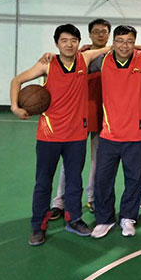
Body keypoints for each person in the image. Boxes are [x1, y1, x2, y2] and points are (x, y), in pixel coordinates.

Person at [10, 24, 109, 246]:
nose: (69, 44)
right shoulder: (47, 63)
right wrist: (15, 107)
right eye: (64, 40)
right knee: (43, 183)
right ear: (56, 43)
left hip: (76, 135)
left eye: (73, 40)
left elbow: (111, 47)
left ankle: (73, 219)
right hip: (49, 136)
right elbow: (17, 80)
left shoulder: (84, 59)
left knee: (75, 181)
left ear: (79, 43)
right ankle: (38, 226)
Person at [90, 25, 141, 239]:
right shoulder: (102, 60)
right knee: (103, 179)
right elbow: (78, 59)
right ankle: (104, 219)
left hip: (137, 134)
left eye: (130, 41)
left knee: (134, 179)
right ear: (113, 42)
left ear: (135, 43)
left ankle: (128, 218)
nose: (125, 46)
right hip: (109, 134)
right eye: (120, 41)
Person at [50, 18, 111, 219]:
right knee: (70, 161)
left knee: (97, 160)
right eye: (96, 31)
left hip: (103, 114)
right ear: (90, 34)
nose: (100, 34)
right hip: (78, 113)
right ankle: (60, 201)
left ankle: (92, 198)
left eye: (104, 31)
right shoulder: (79, 55)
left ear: (109, 34)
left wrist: (140, 47)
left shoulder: (113, 55)